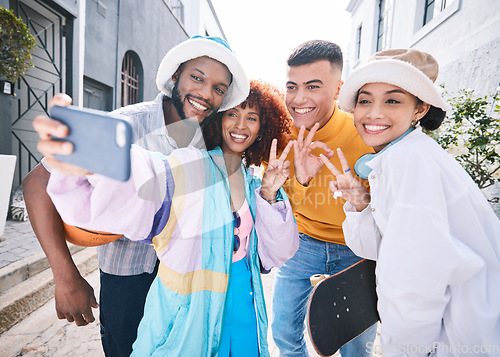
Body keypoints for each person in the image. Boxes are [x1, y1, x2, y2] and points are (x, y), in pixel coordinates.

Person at [36, 79, 299, 356]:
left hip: (246, 303)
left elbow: (276, 254)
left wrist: (270, 193)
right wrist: (91, 151)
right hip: (191, 313)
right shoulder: (193, 165)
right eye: (233, 113)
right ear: (217, 119)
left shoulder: (253, 183)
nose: (240, 125)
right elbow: (148, 175)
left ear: (262, 129)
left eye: (252, 118)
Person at [22, 35, 249, 357]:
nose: (205, 93)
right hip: (127, 278)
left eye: (218, 88)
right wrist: (66, 276)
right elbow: (36, 184)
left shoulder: (208, 140)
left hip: (183, 280)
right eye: (197, 77)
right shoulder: (126, 123)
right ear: (175, 76)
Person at [320, 48, 500, 356]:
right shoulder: (405, 154)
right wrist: (362, 204)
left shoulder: (408, 161)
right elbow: (382, 251)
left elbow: (411, 282)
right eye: (365, 100)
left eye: (392, 100)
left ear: (419, 109)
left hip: (460, 331)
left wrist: (403, 351)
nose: (373, 113)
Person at [271, 39, 377, 356]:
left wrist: (361, 198)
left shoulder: (367, 132)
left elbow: (392, 206)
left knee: (355, 346)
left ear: (337, 88)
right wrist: (301, 180)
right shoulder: (279, 133)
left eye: (313, 86)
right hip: (301, 244)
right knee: (284, 333)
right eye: (292, 86)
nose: (299, 99)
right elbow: (269, 198)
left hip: (356, 250)